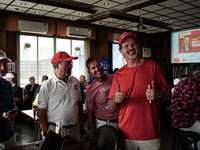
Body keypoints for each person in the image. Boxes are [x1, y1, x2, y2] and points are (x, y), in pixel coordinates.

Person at [107, 32, 171, 150]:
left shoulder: (153, 66)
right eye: (126, 46)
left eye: (133, 44)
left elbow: (169, 95)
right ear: (121, 50)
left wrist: (158, 95)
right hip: (126, 133)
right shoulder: (118, 74)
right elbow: (111, 106)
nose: (130, 48)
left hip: (150, 134)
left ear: (138, 46)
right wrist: (115, 99)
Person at [38, 51, 84, 141]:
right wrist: (45, 132)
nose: (71, 66)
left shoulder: (75, 81)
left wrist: (81, 121)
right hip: (55, 129)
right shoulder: (47, 85)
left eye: (71, 63)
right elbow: (41, 111)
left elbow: (79, 103)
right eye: (67, 63)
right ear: (57, 65)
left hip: (74, 128)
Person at [85, 57, 119, 134]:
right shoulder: (90, 90)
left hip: (120, 120)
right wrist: (94, 134)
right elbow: (90, 114)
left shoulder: (114, 77)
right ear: (90, 72)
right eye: (93, 68)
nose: (97, 69)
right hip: (103, 123)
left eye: (98, 65)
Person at [171, 64, 200, 149]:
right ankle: (191, 147)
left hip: (176, 120)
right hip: (186, 123)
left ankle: (188, 141)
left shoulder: (181, 83)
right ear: (197, 74)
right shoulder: (195, 87)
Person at [0, 50, 17, 149]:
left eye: (5, 64)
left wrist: (13, 112)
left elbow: (13, 104)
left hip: (9, 136)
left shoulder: (7, 84)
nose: (2, 68)